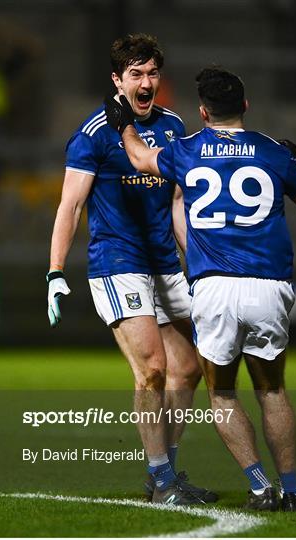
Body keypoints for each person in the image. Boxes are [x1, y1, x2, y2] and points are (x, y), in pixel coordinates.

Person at [105, 66, 296, 512]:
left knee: (222, 393)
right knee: (272, 390)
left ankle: (261, 486)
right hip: (269, 286)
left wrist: (123, 123)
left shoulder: (185, 150)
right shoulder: (270, 151)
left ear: (203, 112)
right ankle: (294, 490)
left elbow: (139, 158)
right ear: (244, 105)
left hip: (214, 289)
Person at [46, 34, 217, 506]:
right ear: (117, 80)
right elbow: (70, 205)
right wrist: (55, 270)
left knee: (190, 368)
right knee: (153, 371)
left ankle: (164, 469)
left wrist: (196, 261)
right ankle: (162, 482)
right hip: (119, 264)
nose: (146, 83)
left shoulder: (172, 126)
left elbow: (178, 202)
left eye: (152, 74)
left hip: (166, 265)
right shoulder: (94, 133)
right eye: (136, 75)